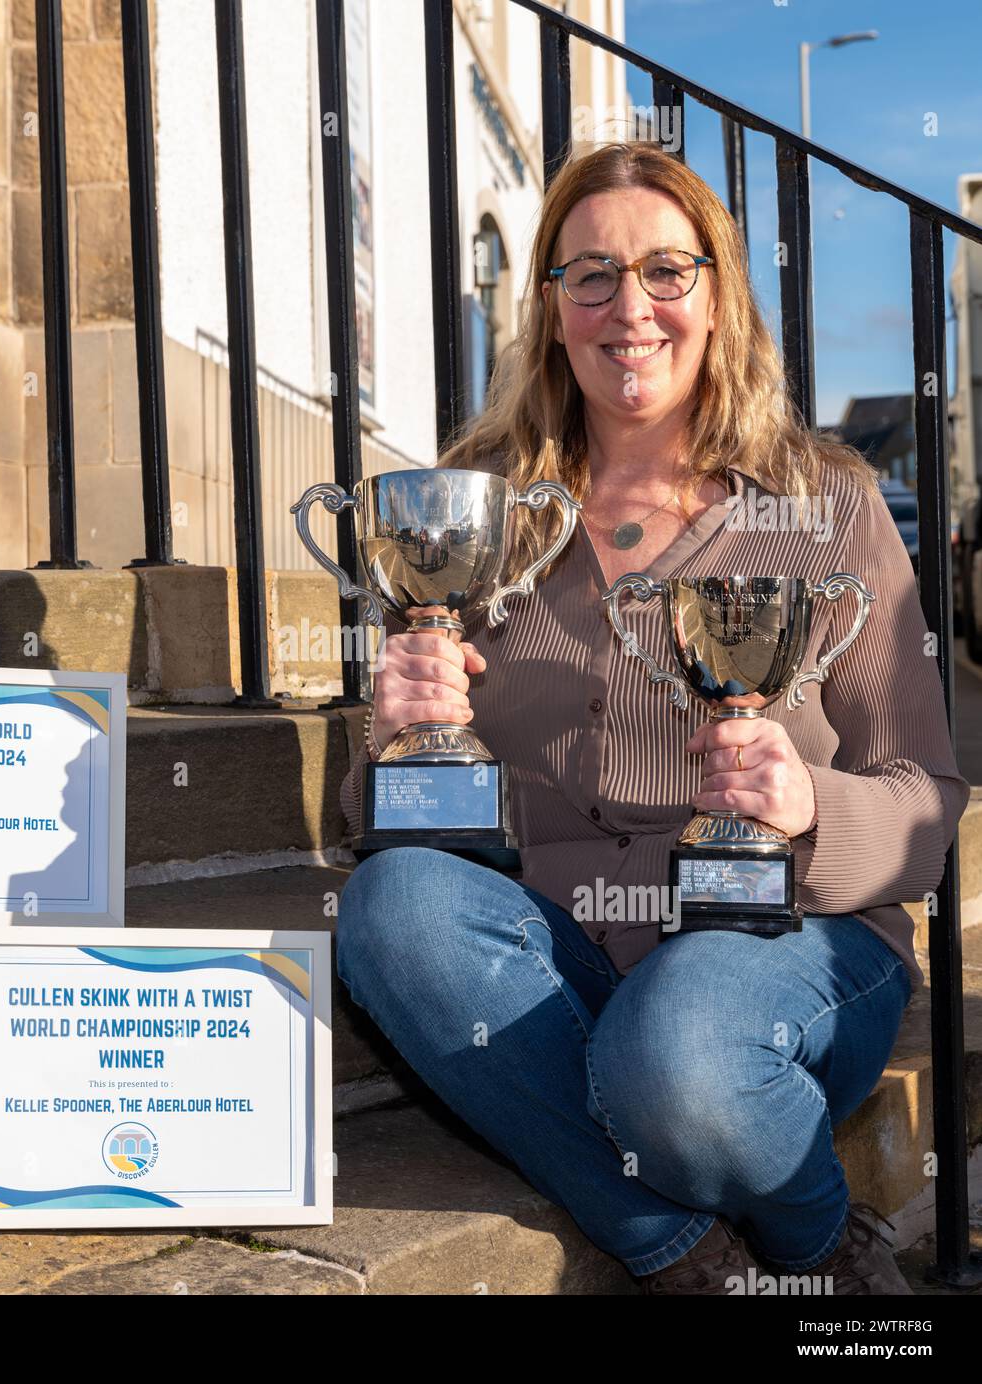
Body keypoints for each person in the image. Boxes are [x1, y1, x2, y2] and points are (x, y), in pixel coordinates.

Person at [335, 141, 969, 1295]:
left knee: (676, 1056)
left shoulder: (822, 500)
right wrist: (396, 737)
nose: (629, 309)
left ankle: (818, 1238)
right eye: (590, 276)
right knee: (391, 904)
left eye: (666, 270)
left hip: (782, 950)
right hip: (558, 956)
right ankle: (697, 1251)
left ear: (718, 294)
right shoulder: (477, 502)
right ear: (550, 305)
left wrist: (804, 804)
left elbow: (926, 801)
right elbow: (403, 821)